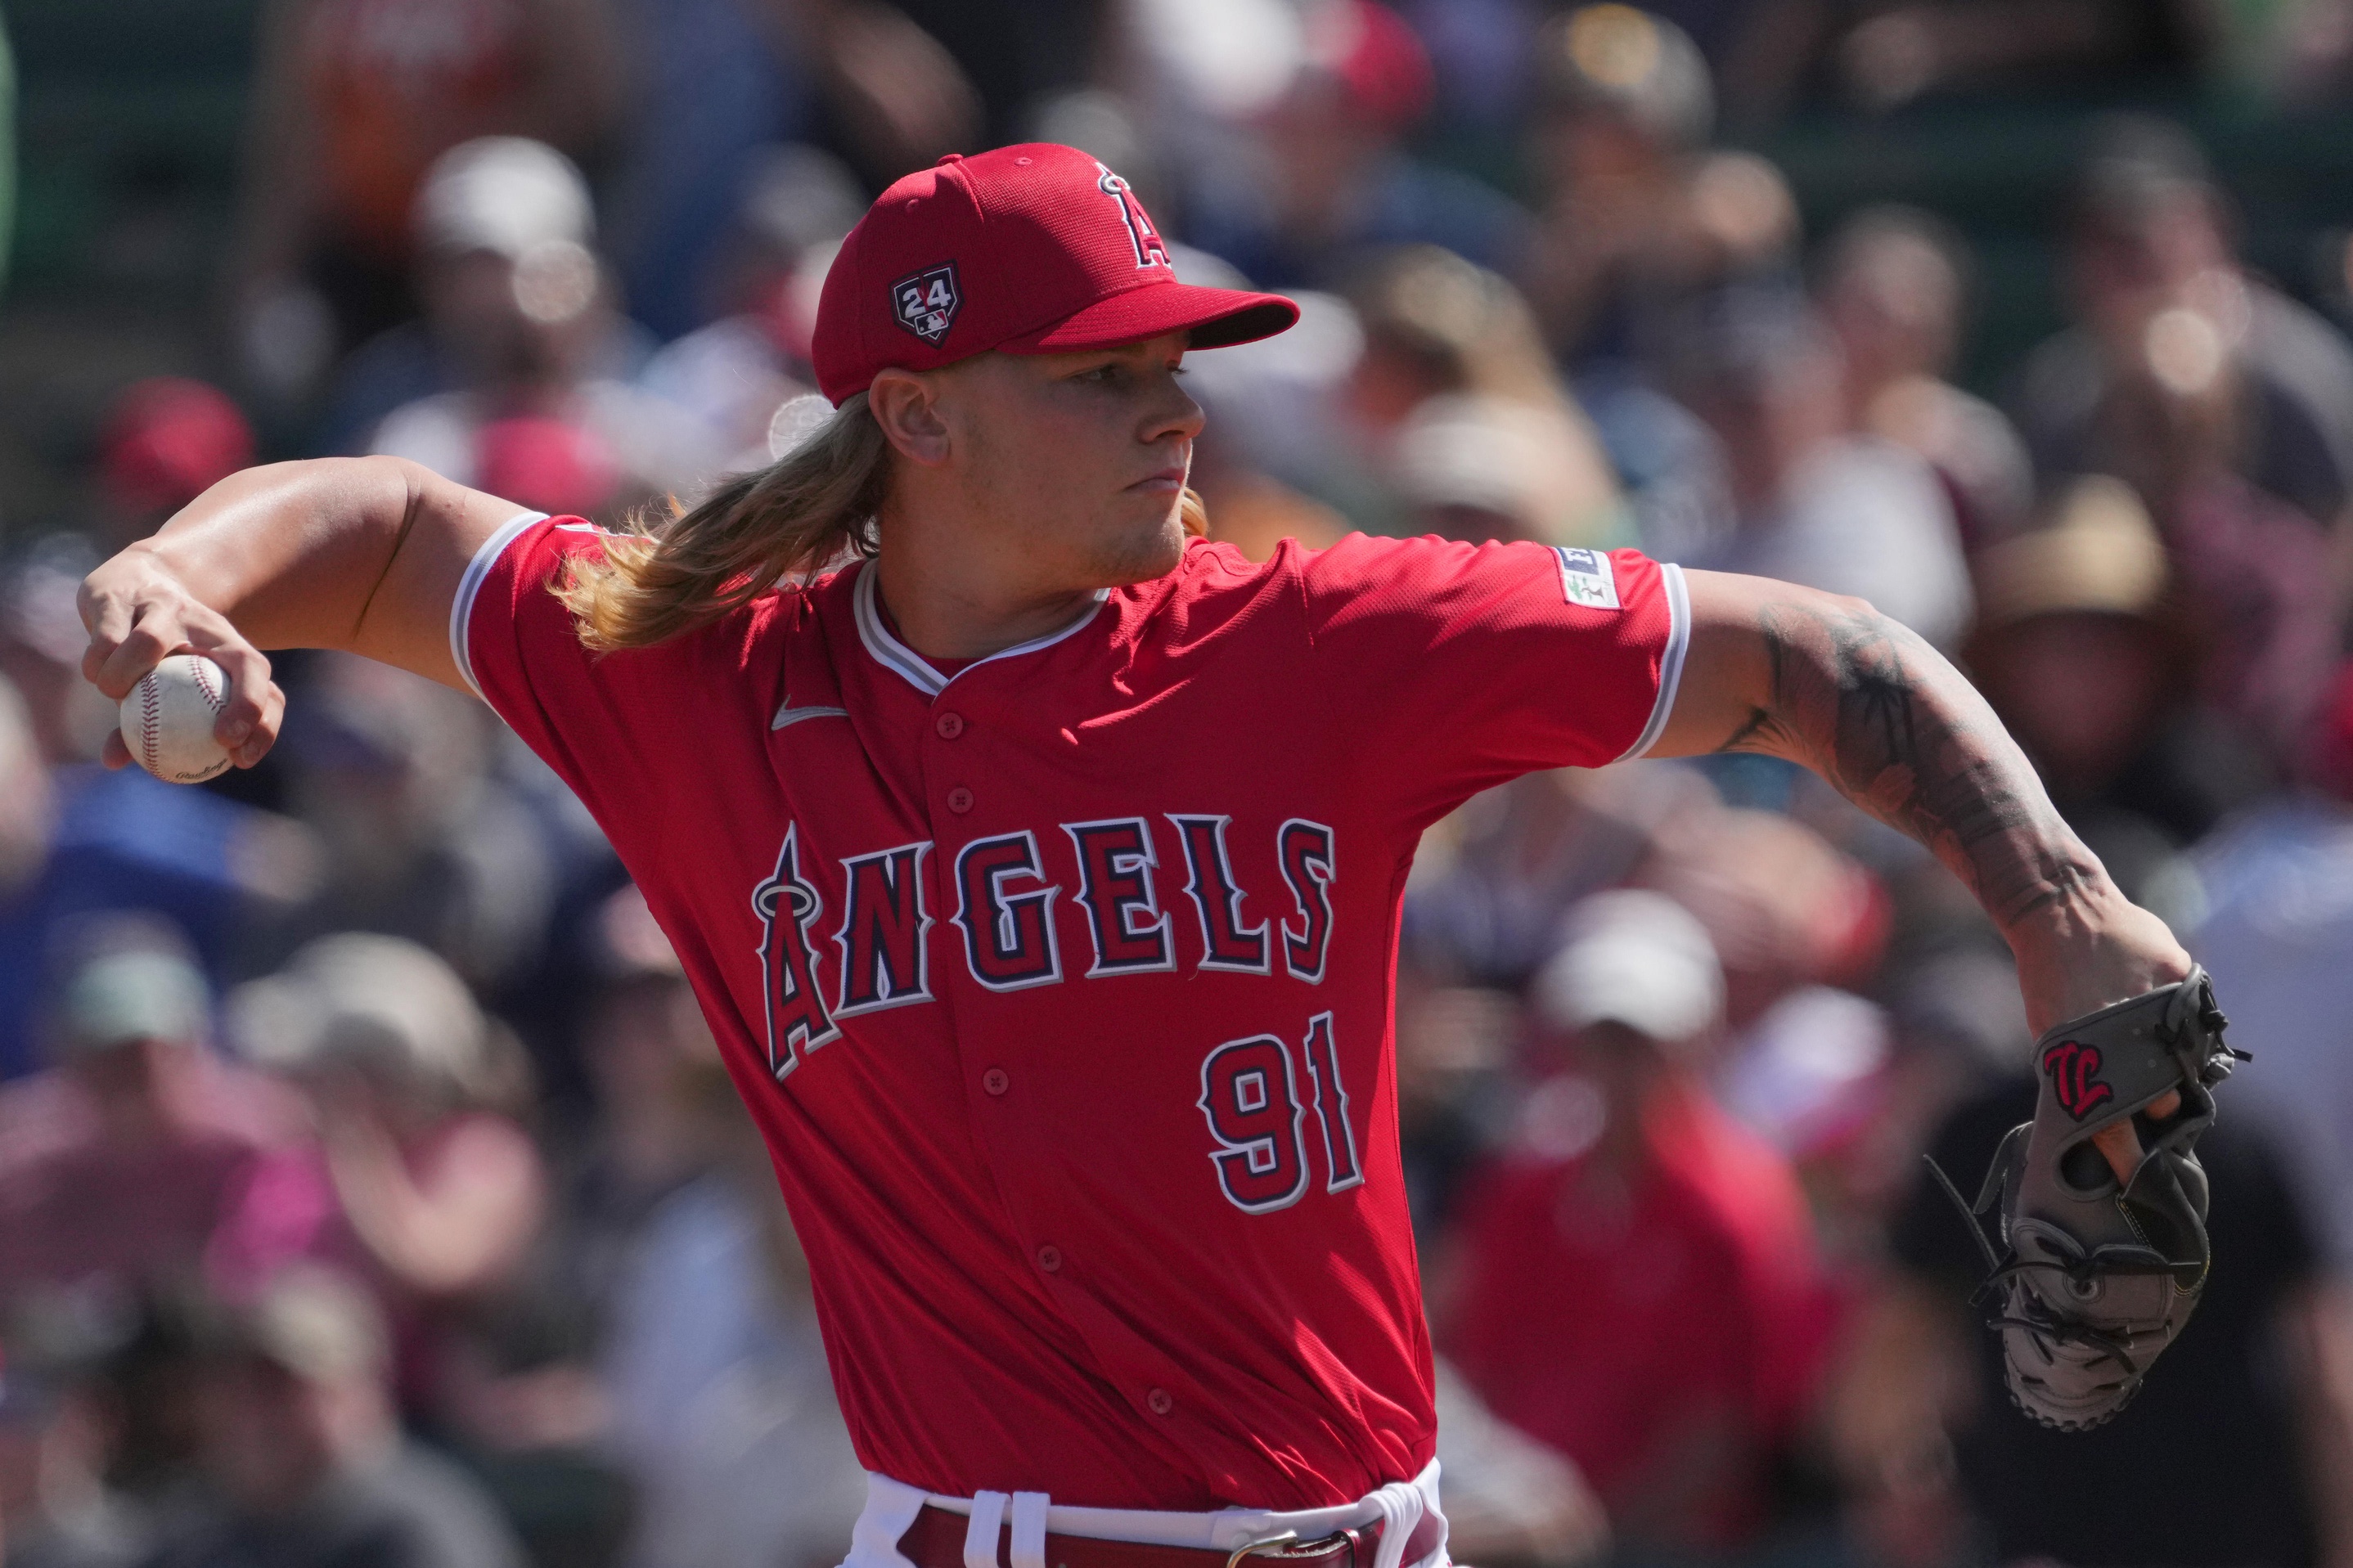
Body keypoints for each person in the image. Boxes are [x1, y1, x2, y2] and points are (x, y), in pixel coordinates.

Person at [80, 142, 2190, 1568]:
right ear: (918, 417)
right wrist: (181, 573)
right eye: (1102, 373)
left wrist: (2064, 910)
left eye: (1174, 358)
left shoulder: (1325, 642)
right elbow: (382, 530)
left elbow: (1817, 656)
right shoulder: (700, 681)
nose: (1173, 408)